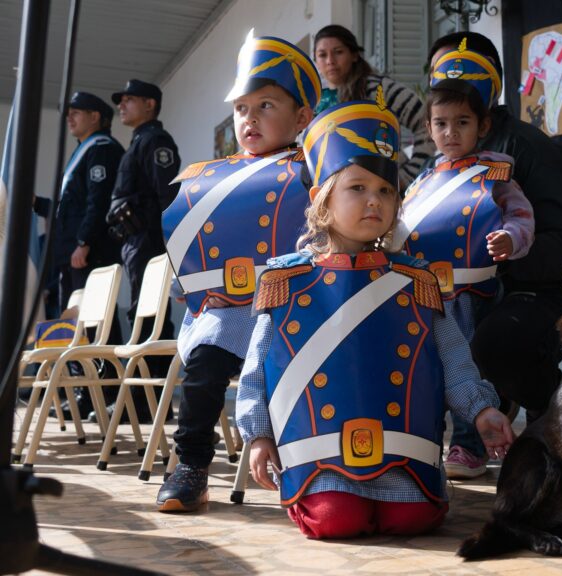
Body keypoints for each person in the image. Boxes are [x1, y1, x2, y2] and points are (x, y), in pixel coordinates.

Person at [236, 96, 514, 539]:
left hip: (403, 447)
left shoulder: (416, 278)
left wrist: (482, 412)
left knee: (414, 520)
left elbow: (453, 360)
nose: (374, 201)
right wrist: (258, 435)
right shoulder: (284, 278)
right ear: (321, 198)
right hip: (319, 454)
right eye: (358, 188)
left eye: (386, 191)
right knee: (334, 522)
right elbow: (257, 371)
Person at [156, 32, 320, 513]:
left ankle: (319, 466)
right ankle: (191, 468)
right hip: (229, 313)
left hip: (298, 310)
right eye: (243, 108)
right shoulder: (208, 179)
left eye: (266, 105)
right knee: (204, 366)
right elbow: (189, 248)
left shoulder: (316, 172)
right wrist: (190, 285)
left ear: (302, 117)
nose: (251, 119)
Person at [426, 32, 562, 477]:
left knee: (492, 345)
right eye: (440, 81)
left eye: (461, 77)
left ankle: (557, 419)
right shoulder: (436, 165)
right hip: (457, 292)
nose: (449, 86)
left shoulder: (528, 151)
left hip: (533, 288)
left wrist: (498, 256)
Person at [396, 41, 535, 479]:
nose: (450, 133)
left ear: (482, 125)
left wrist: (511, 240)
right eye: (441, 123)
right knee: (425, 370)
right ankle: (422, 445)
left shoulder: (495, 171)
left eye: (462, 123)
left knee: (471, 367)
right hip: (425, 294)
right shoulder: (420, 180)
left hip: (473, 293)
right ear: (428, 127)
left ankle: (470, 445)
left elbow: (521, 216)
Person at [34, 92, 125, 418]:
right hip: (70, 253)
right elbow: (67, 208)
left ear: (96, 117)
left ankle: (106, 393)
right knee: (76, 326)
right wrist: (35, 203)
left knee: (98, 324)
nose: (70, 118)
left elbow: (98, 201)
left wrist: (84, 241)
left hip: (88, 253)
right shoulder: (82, 152)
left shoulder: (101, 149)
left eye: (77, 113)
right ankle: (85, 394)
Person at [103, 78, 180, 422]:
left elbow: (167, 197)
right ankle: (142, 400)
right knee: (141, 316)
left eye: (129, 99)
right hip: (135, 242)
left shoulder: (155, 141)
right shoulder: (137, 142)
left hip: (149, 241)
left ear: (150, 105)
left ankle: (149, 402)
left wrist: (169, 246)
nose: (122, 105)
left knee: (152, 320)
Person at [312, 24, 435, 188]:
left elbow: (427, 123)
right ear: (315, 60)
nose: (330, 61)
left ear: (354, 55)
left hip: (383, 190)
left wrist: (410, 175)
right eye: (322, 55)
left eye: (338, 52)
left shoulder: (378, 89)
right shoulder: (314, 101)